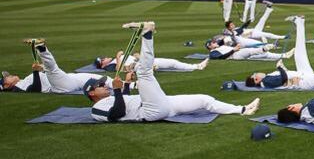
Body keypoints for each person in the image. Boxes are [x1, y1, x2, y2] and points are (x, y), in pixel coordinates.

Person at [88, 22, 259, 122]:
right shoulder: (96, 109)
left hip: (160, 103)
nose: (104, 86)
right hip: (149, 111)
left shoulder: (109, 97)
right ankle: (147, 33)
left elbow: (123, 100)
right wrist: (117, 90)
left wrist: (124, 84)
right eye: (100, 86)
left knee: (204, 99)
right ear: (92, 93)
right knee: (144, 72)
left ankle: (242, 109)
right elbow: (116, 114)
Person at [1, 39, 111, 95]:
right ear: (6, 86)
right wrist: (35, 72)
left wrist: (40, 69)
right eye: (6, 77)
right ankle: (41, 48)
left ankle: (127, 85)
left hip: (65, 79)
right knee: (51, 69)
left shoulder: (22, 81)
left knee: (96, 78)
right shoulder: (18, 88)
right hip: (59, 87)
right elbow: (35, 89)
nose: (9, 75)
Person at [93, 51, 208, 73]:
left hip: (143, 60)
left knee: (172, 62)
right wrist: (118, 57)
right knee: (135, 66)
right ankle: (149, 67)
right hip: (136, 66)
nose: (105, 58)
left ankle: (197, 66)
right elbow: (119, 70)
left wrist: (137, 56)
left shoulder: (116, 58)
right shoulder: (109, 67)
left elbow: (135, 55)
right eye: (103, 60)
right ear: (103, 64)